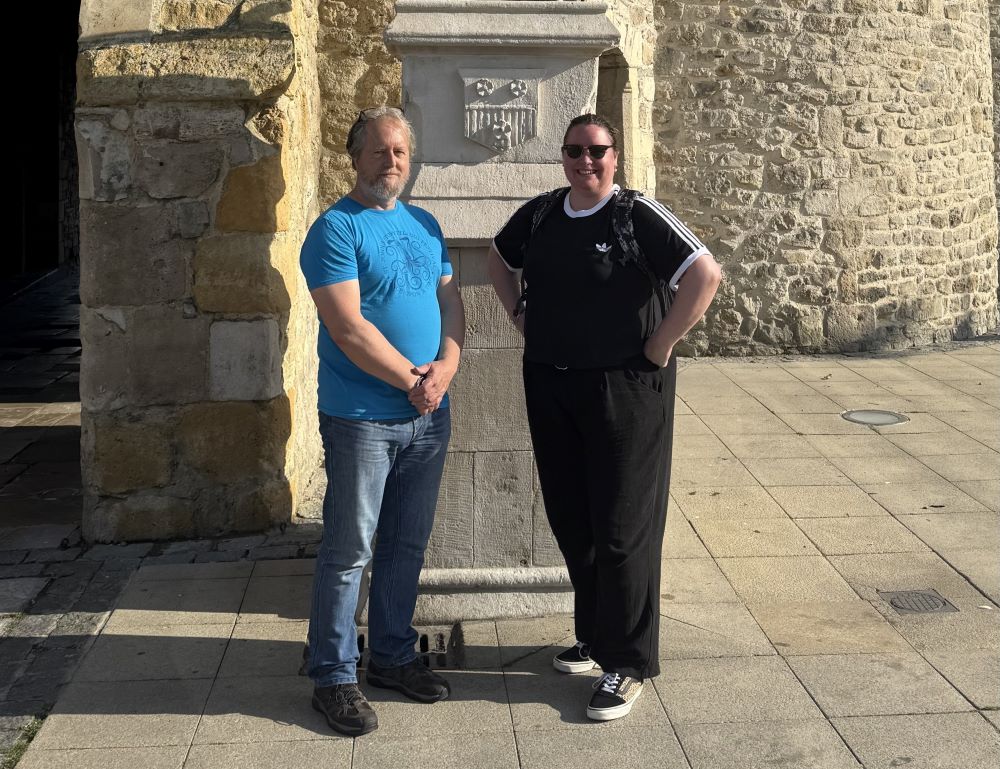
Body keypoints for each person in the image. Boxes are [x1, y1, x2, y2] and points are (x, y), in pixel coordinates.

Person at [488, 113, 721, 722]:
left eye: (596, 150)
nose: (584, 161)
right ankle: (594, 636)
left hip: (625, 390)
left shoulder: (634, 214)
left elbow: (705, 274)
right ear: (562, 157)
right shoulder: (542, 214)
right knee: (574, 519)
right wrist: (519, 316)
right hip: (551, 383)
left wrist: (660, 345)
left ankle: (628, 662)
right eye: (574, 151)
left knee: (622, 527)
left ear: (615, 156)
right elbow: (497, 258)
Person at [299, 106, 465, 736]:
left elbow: (450, 300)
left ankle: (392, 656)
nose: (390, 162)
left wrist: (447, 366)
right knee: (349, 550)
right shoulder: (336, 229)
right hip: (362, 417)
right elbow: (348, 327)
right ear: (355, 158)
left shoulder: (425, 223)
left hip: (428, 416)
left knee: (405, 544)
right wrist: (415, 383)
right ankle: (333, 676)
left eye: (399, 152)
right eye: (378, 151)